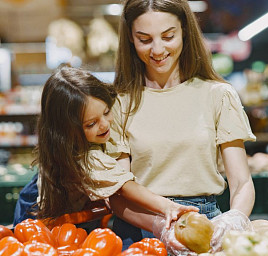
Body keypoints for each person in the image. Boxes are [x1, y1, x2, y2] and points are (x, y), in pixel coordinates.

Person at [109, 0, 256, 256]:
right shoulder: (118, 104)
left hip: (204, 224)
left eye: (168, 36)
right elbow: (119, 196)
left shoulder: (218, 95)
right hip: (141, 231)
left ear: (185, 31)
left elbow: (242, 182)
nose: (157, 50)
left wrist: (234, 219)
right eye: (144, 39)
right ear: (130, 39)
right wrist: (158, 225)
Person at [13, 66, 198, 230]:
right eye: (91, 123)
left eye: (107, 112)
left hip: (77, 214)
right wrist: (168, 207)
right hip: (40, 217)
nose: (104, 125)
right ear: (67, 131)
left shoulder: (96, 127)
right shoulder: (83, 159)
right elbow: (125, 186)